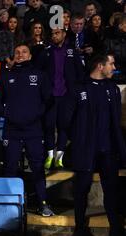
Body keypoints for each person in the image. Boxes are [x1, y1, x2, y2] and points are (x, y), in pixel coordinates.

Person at [69, 53, 126, 236]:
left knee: (111, 190)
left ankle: (116, 229)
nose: (114, 67)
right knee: (81, 190)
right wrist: (78, 140)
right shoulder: (79, 88)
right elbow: (68, 120)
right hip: (85, 150)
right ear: (100, 66)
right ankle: (79, 228)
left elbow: (116, 123)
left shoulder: (113, 89)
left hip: (108, 150)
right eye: (111, 63)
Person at [0, 44, 55, 217]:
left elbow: (49, 100)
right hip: (11, 131)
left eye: (24, 52)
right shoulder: (6, 76)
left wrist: (36, 114)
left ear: (29, 56)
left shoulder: (39, 75)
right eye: (17, 52)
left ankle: (43, 203)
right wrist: (7, 113)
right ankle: (9, 207)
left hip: (33, 130)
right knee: (10, 168)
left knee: (37, 168)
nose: (20, 55)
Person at [36, 28, 84, 170]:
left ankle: (59, 158)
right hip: (50, 97)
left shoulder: (71, 52)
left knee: (63, 126)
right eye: (52, 33)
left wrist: (75, 92)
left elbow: (80, 74)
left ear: (64, 34)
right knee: (49, 126)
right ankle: (50, 155)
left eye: (57, 33)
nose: (54, 35)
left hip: (67, 96)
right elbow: (38, 73)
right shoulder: (45, 52)